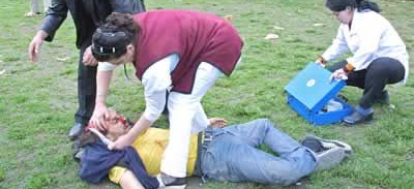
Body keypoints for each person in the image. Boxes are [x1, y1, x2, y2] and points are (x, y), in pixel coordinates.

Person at [89, 10, 243, 188]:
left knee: (180, 103)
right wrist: (99, 103)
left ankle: (174, 177)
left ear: (129, 49)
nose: (116, 66)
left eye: (118, 62)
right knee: (182, 95)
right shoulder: (122, 32)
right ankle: (203, 128)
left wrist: (129, 138)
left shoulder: (154, 68)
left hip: (220, 43)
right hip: (201, 38)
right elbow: (105, 63)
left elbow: (153, 111)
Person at [27, 0, 146, 141]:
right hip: (92, 29)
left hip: (129, 26)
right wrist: (40, 35)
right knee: (86, 69)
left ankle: (167, 104)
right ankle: (84, 118)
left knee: (148, 68)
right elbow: (57, 9)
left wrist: (98, 45)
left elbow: (127, 16)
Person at [78, 109, 351, 188]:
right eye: (114, 121)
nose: (122, 119)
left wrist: (204, 122)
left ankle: (308, 155)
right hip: (214, 158)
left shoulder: (137, 130)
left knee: (263, 126)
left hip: (213, 135)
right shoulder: (118, 160)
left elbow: (176, 131)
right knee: (286, 172)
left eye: (118, 115)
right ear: (105, 137)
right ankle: (311, 151)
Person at [316, 0, 409, 125]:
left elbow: (368, 49)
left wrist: (346, 69)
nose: (335, 17)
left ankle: (364, 110)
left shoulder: (370, 19)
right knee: (330, 74)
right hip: (367, 63)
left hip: (393, 66)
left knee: (379, 66)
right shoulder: (346, 23)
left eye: (337, 13)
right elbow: (339, 44)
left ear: (348, 9)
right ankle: (379, 94)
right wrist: (322, 59)